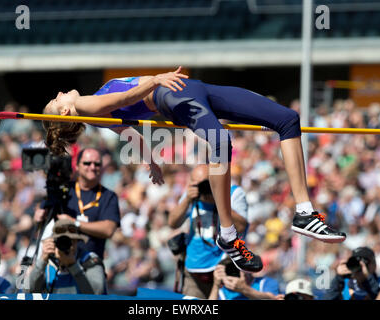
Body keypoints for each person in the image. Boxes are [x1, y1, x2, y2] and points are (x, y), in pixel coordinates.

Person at [42, 67, 345, 272]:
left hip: (195, 88)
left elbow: (128, 131)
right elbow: (125, 98)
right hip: (171, 94)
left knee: (287, 119)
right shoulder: (87, 105)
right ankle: (228, 233)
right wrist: (156, 80)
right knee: (220, 141)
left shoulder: (93, 110)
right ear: (66, 111)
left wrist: (150, 159)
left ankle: (304, 211)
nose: (59, 93)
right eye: (56, 100)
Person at [34, 148, 120, 289]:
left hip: (90, 264)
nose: (92, 167)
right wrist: (38, 215)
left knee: (96, 294)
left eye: (97, 164)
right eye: (87, 163)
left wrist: (74, 223)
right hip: (58, 264)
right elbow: (41, 217)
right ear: (77, 165)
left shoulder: (108, 196)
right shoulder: (64, 190)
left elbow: (109, 229)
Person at [167, 164, 250, 299]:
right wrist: (187, 199)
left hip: (224, 266)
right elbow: (172, 223)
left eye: (206, 183)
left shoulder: (233, 193)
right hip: (194, 268)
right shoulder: (191, 195)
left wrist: (219, 201)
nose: (203, 188)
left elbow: (241, 227)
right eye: (197, 183)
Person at [28, 219, 106, 294]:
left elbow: (97, 292)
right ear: (54, 242)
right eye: (61, 241)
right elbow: (28, 291)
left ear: (77, 241)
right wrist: (42, 260)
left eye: (71, 240)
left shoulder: (88, 259)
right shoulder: (48, 263)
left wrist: (73, 266)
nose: (68, 245)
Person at [208, 258, 284, 300]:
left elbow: (272, 298)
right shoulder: (222, 292)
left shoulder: (265, 282)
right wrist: (216, 285)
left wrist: (244, 289)